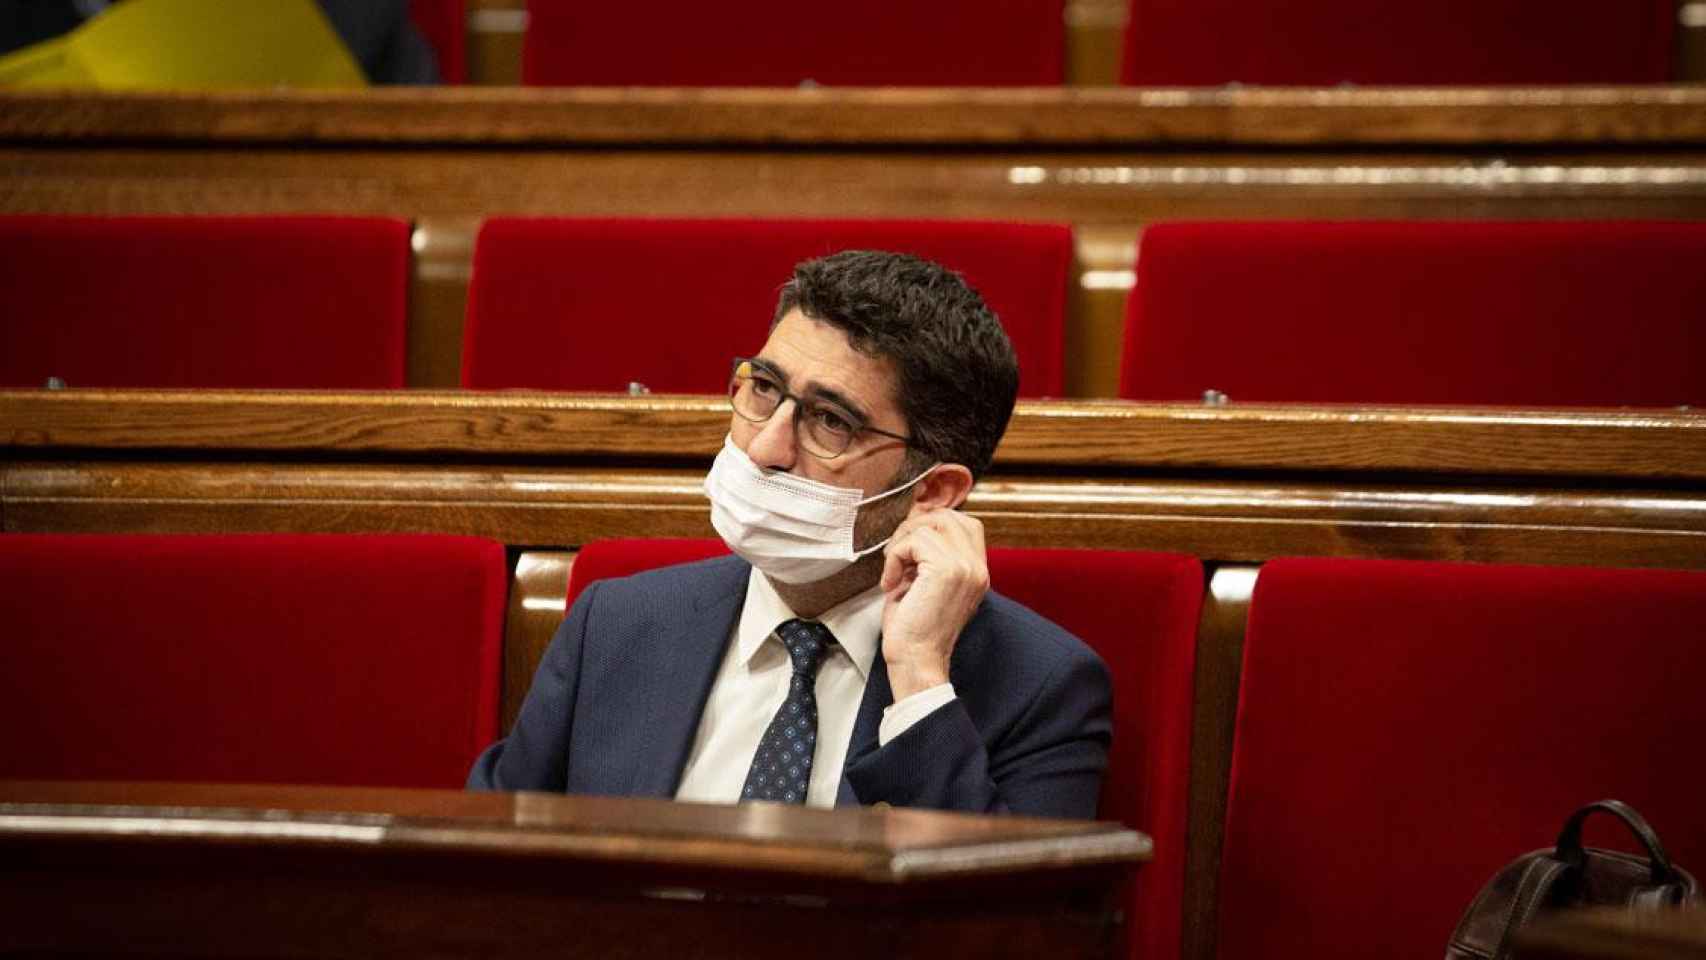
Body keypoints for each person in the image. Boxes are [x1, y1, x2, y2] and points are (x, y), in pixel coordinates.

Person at [468, 250, 1112, 818]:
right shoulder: (617, 625)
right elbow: (489, 871)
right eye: (765, 389)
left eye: (831, 421)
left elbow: (1007, 928)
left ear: (932, 492)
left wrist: (918, 674)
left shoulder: (1039, 685)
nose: (766, 448)